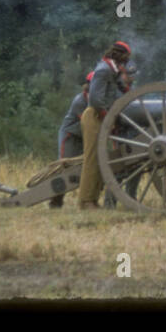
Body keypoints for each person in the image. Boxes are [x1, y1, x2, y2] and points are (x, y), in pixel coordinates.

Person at [76, 41, 134, 210]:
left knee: (101, 158)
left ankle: (93, 200)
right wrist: (107, 117)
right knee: (92, 158)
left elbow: (122, 89)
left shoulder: (112, 70)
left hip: (102, 117)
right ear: (120, 56)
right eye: (126, 58)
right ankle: (86, 201)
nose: (126, 62)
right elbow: (94, 100)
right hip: (94, 116)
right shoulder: (103, 70)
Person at [58, 73, 92, 160]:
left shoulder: (96, 98)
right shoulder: (79, 101)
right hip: (70, 135)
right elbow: (88, 122)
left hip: (80, 136)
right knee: (65, 163)